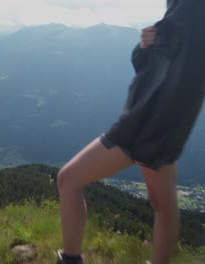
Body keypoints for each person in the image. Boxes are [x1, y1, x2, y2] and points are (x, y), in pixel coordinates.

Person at [56, 0, 205, 263]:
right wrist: (147, 46)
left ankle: (71, 259)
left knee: (70, 179)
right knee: (162, 204)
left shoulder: (193, 9)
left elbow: (188, 71)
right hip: (140, 118)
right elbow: (156, 67)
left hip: (157, 124)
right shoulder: (178, 9)